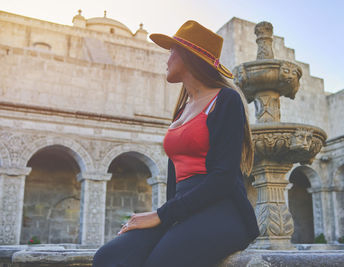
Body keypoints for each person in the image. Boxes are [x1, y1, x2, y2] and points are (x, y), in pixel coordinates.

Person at [92, 20, 260, 267]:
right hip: (183, 211)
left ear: (189, 57)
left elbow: (223, 177)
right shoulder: (182, 109)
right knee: (110, 256)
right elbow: (175, 180)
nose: (167, 59)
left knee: (160, 262)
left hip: (222, 210)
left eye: (172, 51)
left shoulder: (226, 100)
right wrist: (167, 218)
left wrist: (161, 215)